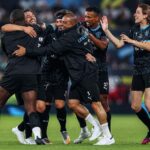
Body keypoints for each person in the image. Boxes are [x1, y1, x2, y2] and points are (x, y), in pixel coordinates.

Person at [14, 12, 115, 145]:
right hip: (77, 75)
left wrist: (26, 51)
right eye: (61, 22)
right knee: (72, 103)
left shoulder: (69, 37)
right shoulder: (80, 28)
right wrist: (86, 52)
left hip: (86, 74)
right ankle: (95, 125)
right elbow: (84, 43)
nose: (61, 25)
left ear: (72, 23)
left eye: (65, 23)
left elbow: (49, 49)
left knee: (96, 104)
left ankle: (108, 136)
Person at [100, 3, 150, 144]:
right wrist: (107, 31)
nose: (135, 14)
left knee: (148, 103)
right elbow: (119, 44)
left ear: (146, 15)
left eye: (138, 12)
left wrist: (132, 41)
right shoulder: (134, 29)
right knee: (135, 106)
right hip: (138, 70)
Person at [0, 9, 44, 145]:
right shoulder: (35, 30)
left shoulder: (6, 35)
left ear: (12, 21)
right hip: (30, 74)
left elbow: (6, 50)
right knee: (31, 108)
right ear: (25, 21)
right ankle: (37, 136)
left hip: (12, 72)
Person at [74, 6, 111, 144]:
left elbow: (102, 46)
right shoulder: (80, 26)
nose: (86, 19)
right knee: (77, 101)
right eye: (85, 16)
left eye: (89, 17)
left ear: (97, 18)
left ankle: (107, 133)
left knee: (103, 102)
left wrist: (89, 35)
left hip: (101, 69)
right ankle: (85, 129)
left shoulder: (103, 29)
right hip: (85, 70)